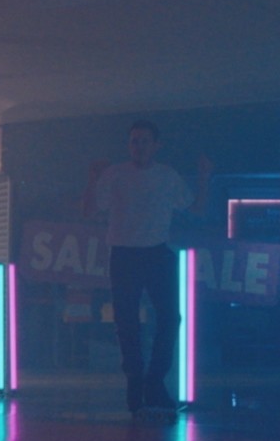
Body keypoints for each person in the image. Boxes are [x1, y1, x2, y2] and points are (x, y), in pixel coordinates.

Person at [81, 120, 210, 414]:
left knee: (170, 319)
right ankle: (136, 381)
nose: (138, 147)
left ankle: (153, 381)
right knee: (126, 322)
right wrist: (91, 178)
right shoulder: (115, 174)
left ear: (156, 145)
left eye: (143, 141)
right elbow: (88, 210)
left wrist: (204, 178)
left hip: (156, 254)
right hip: (124, 255)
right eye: (134, 142)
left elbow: (197, 208)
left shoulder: (167, 176)